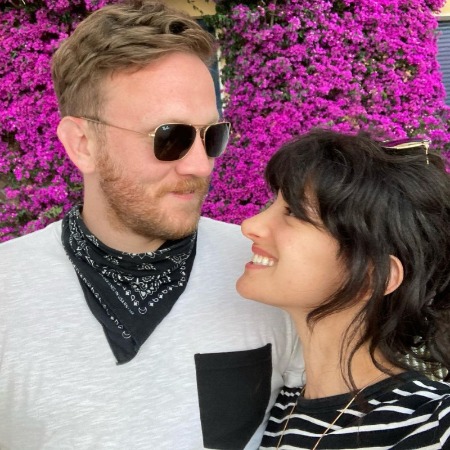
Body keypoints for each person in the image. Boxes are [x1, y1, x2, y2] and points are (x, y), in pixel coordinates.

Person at [0, 1, 303, 448]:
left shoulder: (267, 273)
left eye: (212, 136)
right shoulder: (8, 291)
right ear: (82, 144)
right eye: (170, 137)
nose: (200, 165)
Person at [236, 129, 450, 449]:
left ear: (372, 275)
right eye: (273, 203)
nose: (249, 225)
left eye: (293, 212)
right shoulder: (275, 410)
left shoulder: (434, 424)